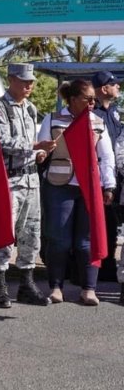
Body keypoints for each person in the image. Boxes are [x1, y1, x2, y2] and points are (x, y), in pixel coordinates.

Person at [39, 79, 115, 306]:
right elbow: (40, 148)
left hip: (89, 188)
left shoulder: (98, 122)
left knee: (86, 241)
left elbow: (107, 157)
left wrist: (108, 186)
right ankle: (55, 287)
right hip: (58, 186)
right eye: (88, 99)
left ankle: (88, 289)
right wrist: (41, 154)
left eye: (94, 99)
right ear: (72, 100)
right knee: (59, 240)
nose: (93, 103)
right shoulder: (52, 119)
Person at [0, 63, 53, 308]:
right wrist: (34, 147)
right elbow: (1, 140)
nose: (29, 86)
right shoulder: (0, 106)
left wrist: (40, 154)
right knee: (6, 233)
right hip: (10, 180)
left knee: (31, 233)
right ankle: (0, 284)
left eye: (32, 81)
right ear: (11, 80)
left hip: (31, 179)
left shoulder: (30, 108)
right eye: (24, 81)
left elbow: (31, 142)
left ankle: (26, 283)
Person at [92, 71, 123, 288]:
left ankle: (109, 266)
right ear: (104, 88)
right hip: (99, 176)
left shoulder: (113, 113)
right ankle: (97, 267)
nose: (118, 88)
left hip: (115, 175)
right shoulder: (92, 113)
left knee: (112, 224)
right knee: (97, 224)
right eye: (114, 84)